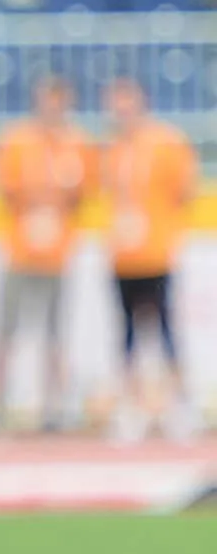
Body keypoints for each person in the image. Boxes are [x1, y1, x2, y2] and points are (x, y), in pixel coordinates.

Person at [0, 75, 92, 432]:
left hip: (58, 255)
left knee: (56, 335)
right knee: (5, 331)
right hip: (20, 252)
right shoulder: (17, 140)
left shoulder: (77, 143)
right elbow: (6, 188)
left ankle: (54, 408)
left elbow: (83, 193)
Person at [99, 79, 200, 441]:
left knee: (167, 332)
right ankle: (131, 408)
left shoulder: (165, 143)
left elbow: (186, 190)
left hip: (155, 252)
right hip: (122, 255)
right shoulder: (111, 147)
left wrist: (162, 226)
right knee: (126, 336)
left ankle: (179, 407)